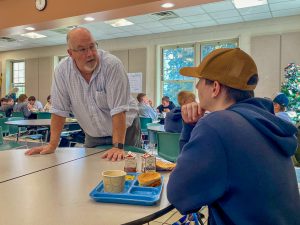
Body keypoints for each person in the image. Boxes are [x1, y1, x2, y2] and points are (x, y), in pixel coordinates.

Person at [167, 48, 300, 224]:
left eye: (199, 80)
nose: (197, 87)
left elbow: (179, 195)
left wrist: (189, 129)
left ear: (215, 87)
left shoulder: (218, 124)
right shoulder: (263, 122)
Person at [25, 27, 140, 161]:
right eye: (82, 49)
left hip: (125, 130)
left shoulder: (112, 65)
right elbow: (59, 111)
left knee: (126, 169)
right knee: (91, 171)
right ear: (70, 53)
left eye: (92, 47)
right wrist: (52, 145)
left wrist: (118, 146)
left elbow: (119, 110)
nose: (90, 53)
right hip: (93, 134)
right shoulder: (62, 71)